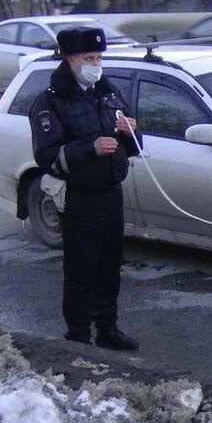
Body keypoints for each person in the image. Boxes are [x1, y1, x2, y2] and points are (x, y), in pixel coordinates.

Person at [29, 27, 142, 351]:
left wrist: (129, 131)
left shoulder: (108, 93)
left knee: (110, 264)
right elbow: (47, 156)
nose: (95, 63)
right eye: (88, 58)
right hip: (80, 196)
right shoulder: (51, 101)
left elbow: (133, 146)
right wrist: (89, 148)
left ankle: (107, 327)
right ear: (70, 59)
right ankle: (77, 336)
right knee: (81, 268)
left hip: (111, 193)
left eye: (98, 57)